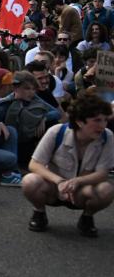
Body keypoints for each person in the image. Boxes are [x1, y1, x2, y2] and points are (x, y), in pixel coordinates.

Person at [22, 90, 114, 237]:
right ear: (79, 121)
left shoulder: (108, 137)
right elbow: (34, 164)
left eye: (105, 120)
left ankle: (87, 217)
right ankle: (39, 212)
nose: (102, 125)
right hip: (53, 188)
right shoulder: (56, 132)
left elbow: (102, 173)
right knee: (30, 181)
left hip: (82, 191)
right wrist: (59, 181)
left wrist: (78, 181)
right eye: (97, 120)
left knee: (106, 190)